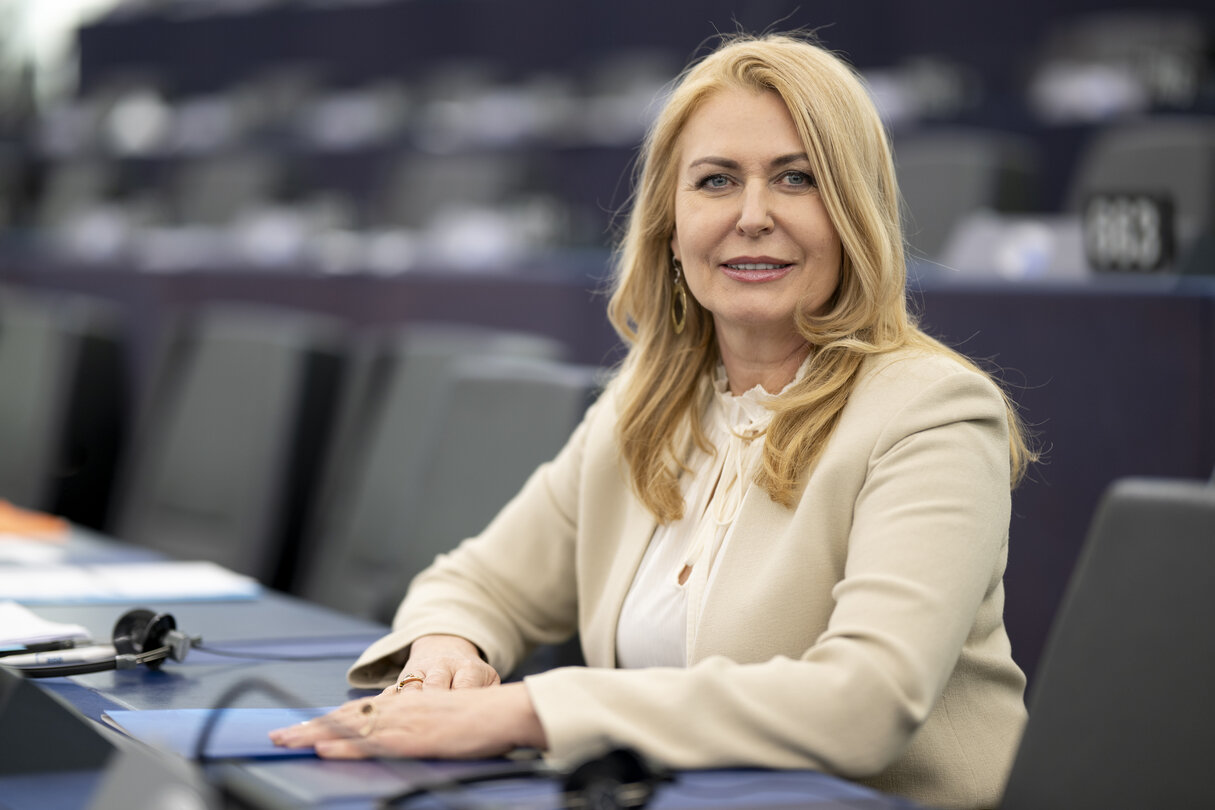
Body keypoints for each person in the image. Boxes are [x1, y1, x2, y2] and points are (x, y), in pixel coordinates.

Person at [270, 31, 1037, 810]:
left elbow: (863, 703)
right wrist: (442, 658)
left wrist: (523, 712)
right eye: (714, 181)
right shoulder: (648, 403)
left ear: (853, 214)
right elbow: (477, 581)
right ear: (669, 227)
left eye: (796, 178)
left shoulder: (931, 413)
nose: (751, 215)